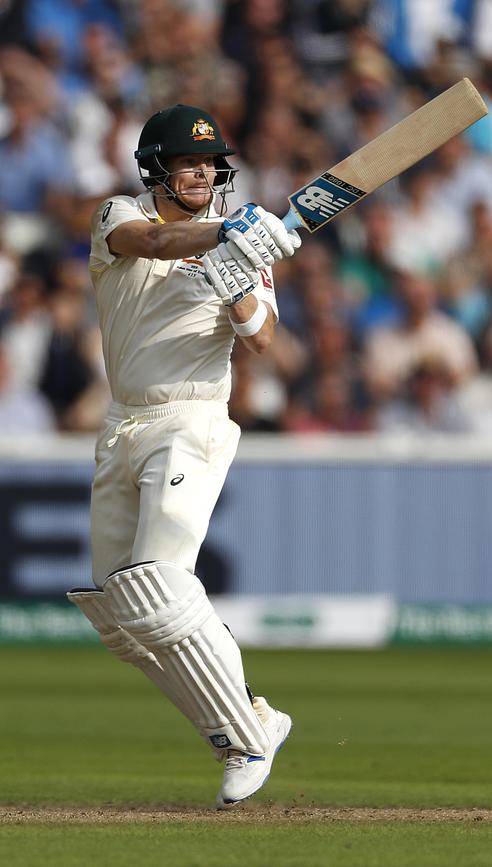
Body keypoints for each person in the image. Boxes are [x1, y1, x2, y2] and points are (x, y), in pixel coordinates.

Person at [65, 103, 301, 808]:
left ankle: (243, 738)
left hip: (191, 419)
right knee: (123, 614)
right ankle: (252, 715)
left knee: (159, 581)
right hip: (124, 423)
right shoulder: (117, 216)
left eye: (209, 164)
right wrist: (223, 235)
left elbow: (261, 339)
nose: (202, 172)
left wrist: (237, 286)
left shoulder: (247, 246)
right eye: (187, 162)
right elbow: (153, 243)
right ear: (156, 170)